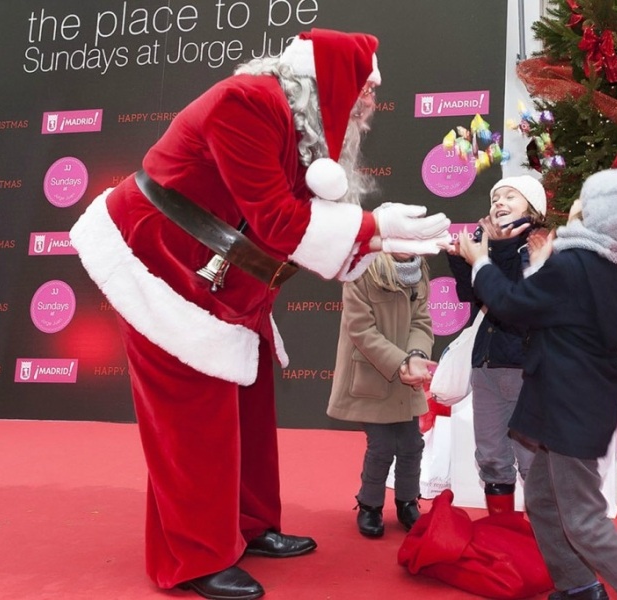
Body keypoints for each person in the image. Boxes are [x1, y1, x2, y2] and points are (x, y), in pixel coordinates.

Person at [69, 28, 450, 600]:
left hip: (224, 277)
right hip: (161, 261)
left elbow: (298, 219)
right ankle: (194, 558)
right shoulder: (247, 101)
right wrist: (375, 229)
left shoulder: (298, 123)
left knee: (247, 403)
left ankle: (247, 527)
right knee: (194, 415)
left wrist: (372, 240)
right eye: (362, 93)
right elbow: (278, 220)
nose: (368, 106)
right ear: (329, 85)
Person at [457, 169, 617, 600]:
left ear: (597, 215)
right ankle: (577, 587)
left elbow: (511, 305)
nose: (575, 205)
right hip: (578, 402)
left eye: (585, 200)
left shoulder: (573, 264)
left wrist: (480, 261)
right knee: (541, 499)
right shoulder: (608, 269)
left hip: (566, 407)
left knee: (585, 521)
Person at [446, 175, 547, 514]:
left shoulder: (540, 246)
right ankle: (502, 533)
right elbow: (473, 297)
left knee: (531, 457)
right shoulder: (485, 244)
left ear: (532, 208)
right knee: (490, 453)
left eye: (510, 197)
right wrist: (461, 259)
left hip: (526, 371)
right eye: (495, 197)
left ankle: (545, 539)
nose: (499, 203)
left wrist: (490, 253)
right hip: (486, 365)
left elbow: (513, 303)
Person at [326, 253, 437, 538]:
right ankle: (369, 505)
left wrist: (415, 357)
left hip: (406, 376)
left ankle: (407, 502)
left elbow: (421, 322)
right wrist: (399, 363)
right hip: (372, 374)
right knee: (382, 445)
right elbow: (361, 330)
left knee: (412, 443)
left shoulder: (418, 272)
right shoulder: (360, 270)